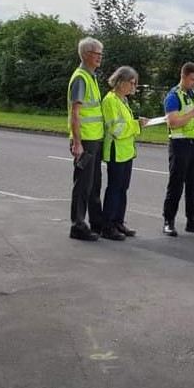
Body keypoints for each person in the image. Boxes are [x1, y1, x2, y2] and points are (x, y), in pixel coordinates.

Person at [162, 62, 194, 236]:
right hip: (179, 144)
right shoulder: (173, 96)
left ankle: (193, 219)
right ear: (183, 76)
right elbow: (173, 123)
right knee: (176, 184)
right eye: (192, 79)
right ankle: (168, 221)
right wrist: (193, 112)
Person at [100, 66, 148, 240]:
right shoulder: (110, 100)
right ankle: (108, 226)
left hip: (126, 151)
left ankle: (118, 221)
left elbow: (125, 126)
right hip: (116, 151)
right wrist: (137, 125)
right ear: (121, 82)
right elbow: (116, 130)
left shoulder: (123, 100)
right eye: (131, 83)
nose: (133, 87)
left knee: (123, 188)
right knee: (114, 188)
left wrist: (136, 123)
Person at [67, 37, 106, 241]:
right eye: (96, 53)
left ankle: (95, 224)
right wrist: (77, 142)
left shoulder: (91, 77)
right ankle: (78, 225)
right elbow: (76, 113)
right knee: (83, 185)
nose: (100, 56)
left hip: (94, 138)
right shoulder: (81, 78)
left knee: (93, 185)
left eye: (100, 53)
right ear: (85, 54)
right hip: (86, 141)